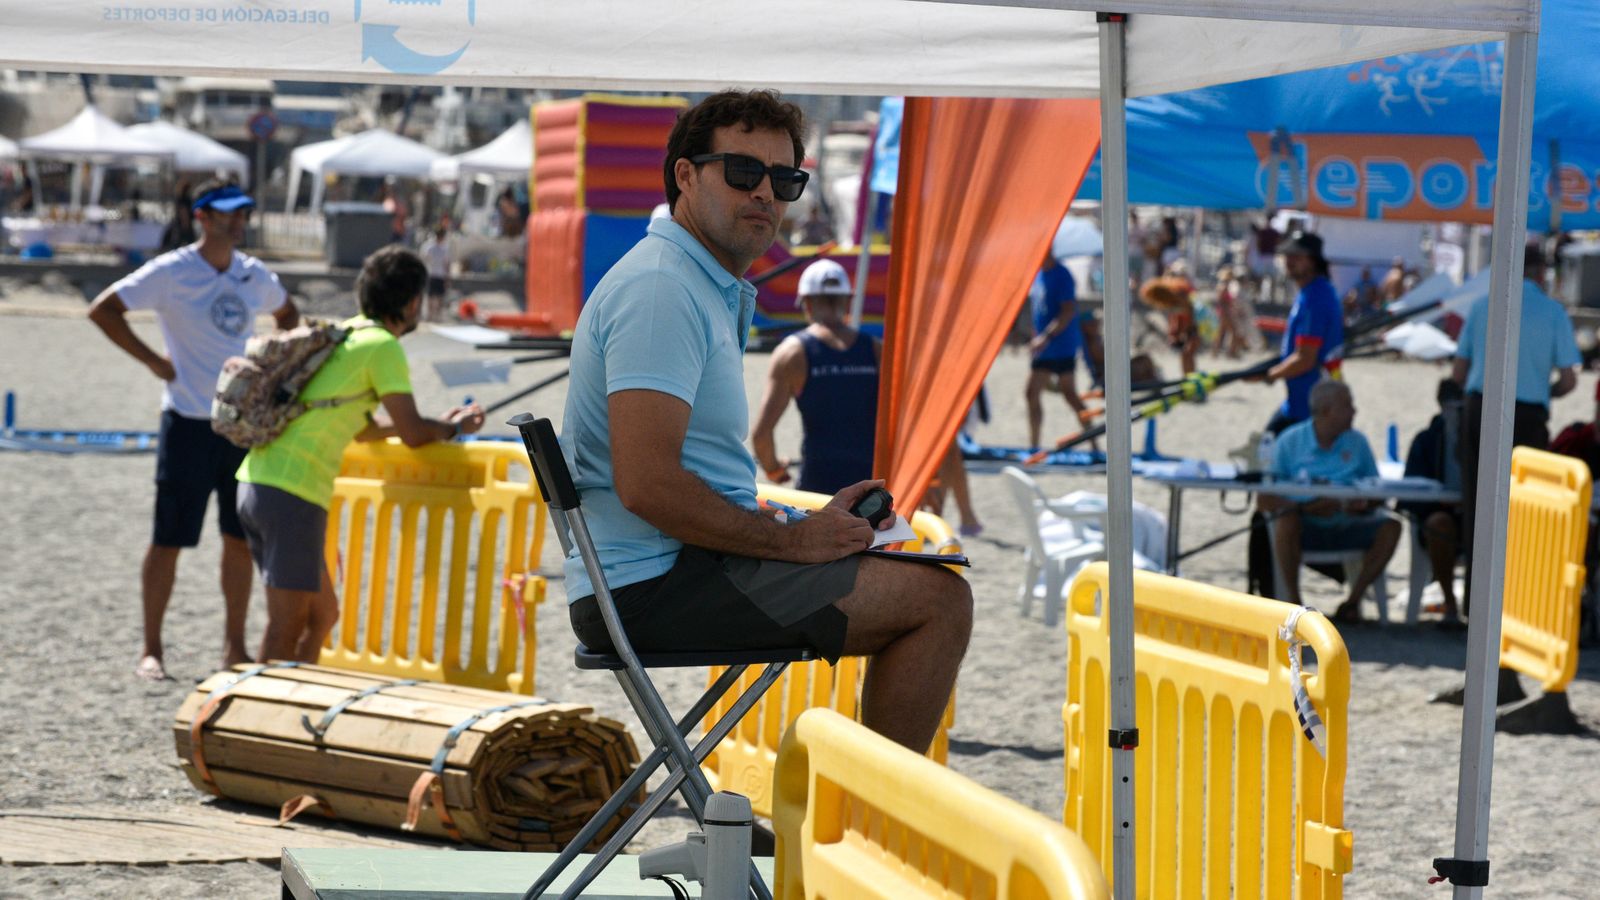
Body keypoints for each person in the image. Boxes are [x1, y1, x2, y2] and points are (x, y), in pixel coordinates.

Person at [561, 89, 971, 753]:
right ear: (686, 176)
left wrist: (800, 527)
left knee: (922, 583)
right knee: (938, 604)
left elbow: (673, 481)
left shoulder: (687, 281)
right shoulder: (663, 289)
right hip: (651, 586)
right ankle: (867, 832)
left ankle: (854, 826)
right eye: (744, 172)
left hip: (662, 573)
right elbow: (647, 485)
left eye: (784, 179)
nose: (766, 195)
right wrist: (793, 543)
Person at [87, 180, 300, 681]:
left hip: (238, 425)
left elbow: (289, 316)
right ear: (201, 217)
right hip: (184, 421)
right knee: (168, 540)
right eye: (226, 214)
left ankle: (234, 648)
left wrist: (273, 371)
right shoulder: (173, 271)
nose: (237, 221)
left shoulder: (253, 273)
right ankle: (152, 649)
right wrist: (154, 362)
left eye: (242, 213)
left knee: (237, 541)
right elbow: (103, 310)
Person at [235, 246, 486, 664]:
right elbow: (413, 435)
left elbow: (365, 426)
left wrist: (435, 423)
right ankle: (255, 717)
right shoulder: (383, 346)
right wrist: (455, 426)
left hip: (262, 481)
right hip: (291, 491)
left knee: (322, 614)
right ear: (410, 302)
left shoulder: (348, 334)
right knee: (287, 623)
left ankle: (295, 700)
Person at [1452, 242, 1580, 608]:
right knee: (1524, 509)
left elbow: (1459, 373)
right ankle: (1516, 601)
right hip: (1528, 415)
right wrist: (1542, 389)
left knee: (1478, 504)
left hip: (1482, 407)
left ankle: (1475, 602)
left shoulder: (1482, 304)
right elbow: (1570, 381)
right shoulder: (1553, 312)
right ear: (1541, 273)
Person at [1258, 381, 1401, 621]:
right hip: (1305, 526)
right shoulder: (1290, 442)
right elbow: (1264, 500)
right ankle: (1294, 603)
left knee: (1392, 527)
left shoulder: (1357, 442)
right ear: (1326, 411)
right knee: (1286, 522)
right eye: (1347, 405)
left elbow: (1378, 492)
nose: (1354, 411)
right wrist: (1306, 507)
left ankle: (1353, 601)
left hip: (1349, 523)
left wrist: (1363, 504)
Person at [752, 258, 880, 495]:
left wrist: (774, 470)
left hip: (818, 488)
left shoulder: (792, 353)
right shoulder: (875, 349)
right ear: (847, 301)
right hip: (873, 488)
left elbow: (761, 434)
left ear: (806, 303)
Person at [1256, 232, 1343, 436]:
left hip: (1311, 408)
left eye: (1296, 256)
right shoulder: (1312, 292)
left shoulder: (1315, 297)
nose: (1289, 261)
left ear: (1312, 260)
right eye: (1287, 256)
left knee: (1268, 454)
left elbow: (1306, 359)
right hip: (1300, 404)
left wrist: (1271, 374)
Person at [1400, 379, 1467, 625]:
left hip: (1478, 520)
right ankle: (1450, 603)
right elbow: (1411, 494)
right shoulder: (1428, 439)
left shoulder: (1490, 439)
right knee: (1439, 524)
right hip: (1443, 521)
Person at [1026, 254, 1090, 449]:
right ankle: (1034, 445)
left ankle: (1093, 443)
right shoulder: (1038, 275)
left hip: (1061, 345)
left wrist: (1046, 336)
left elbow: (1068, 311)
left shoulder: (1061, 274)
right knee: (1032, 393)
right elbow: (1040, 309)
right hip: (1044, 348)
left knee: (1069, 395)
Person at [419, 224, 453, 322]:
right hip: (432, 273)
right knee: (431, 296)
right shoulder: (429, 246)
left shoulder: (444, 248)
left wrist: (447, 277)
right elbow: (424, 259)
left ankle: (437, 315)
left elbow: (447, 263)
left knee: (439, 296)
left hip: (439, 274)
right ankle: (430, 315)